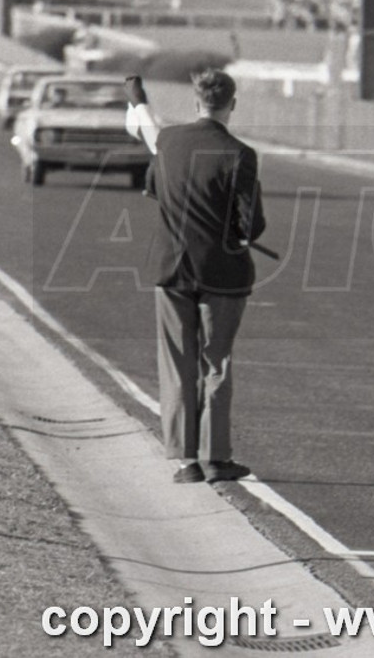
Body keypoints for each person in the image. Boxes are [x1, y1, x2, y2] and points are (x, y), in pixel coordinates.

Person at [122, 71, 266, 484]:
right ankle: (217, 458)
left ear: (195, 102)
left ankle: (187, 462)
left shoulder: (168, 142)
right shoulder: (241, 153)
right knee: (216, 362)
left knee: (178, 364)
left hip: (172, 270)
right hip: (223, 273)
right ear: (232, 105)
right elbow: (251, 225)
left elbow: (154, 187)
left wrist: (139, 99)